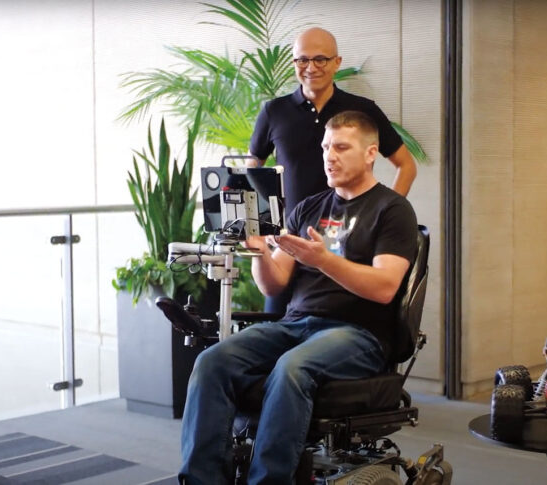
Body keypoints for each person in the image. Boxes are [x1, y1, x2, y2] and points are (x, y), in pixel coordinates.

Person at [179, 111, 419, 484]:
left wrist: (324, 260)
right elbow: (273, 284)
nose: (329, 156)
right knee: (212, 361)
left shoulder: (392, 210)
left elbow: (385, 286)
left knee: (293, 368)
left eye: (341, 147)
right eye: (326, 147)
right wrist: (259, 250)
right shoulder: (309, 208)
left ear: (371, 153)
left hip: (359, 334)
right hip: (297, 324)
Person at [249, 26, 417, 313]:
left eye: (320, 59)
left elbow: (406, 165)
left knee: (337, 324)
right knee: (279, 326)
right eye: (302, 60)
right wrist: (264, 227)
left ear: (337, 62)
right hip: (291, 239)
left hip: (345, 241)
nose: (311, 67)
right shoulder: (274, 112)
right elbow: (253, 170)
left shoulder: (362, 110)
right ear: (294, 62)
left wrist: (381, 213)